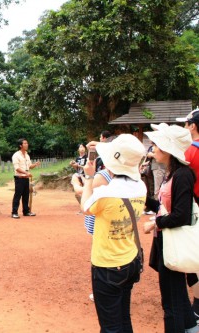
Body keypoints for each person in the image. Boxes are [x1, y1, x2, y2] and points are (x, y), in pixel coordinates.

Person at [80, 134, 147, 332]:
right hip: (130, 260)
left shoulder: (106, 192)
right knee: (124, 318)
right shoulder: (140, 186)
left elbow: (85, 206)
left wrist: (89, 178)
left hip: (107, 265)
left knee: (110, 326)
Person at [143, 124, 199, 333]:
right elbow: (166, 209)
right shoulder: (173, 173)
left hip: (173, 243)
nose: (153, 150)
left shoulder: (182, 175)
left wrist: (154, 223)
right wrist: (147, 201)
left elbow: (181, 215)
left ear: (167, 149)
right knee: (177, 296)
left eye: (156, 145)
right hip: (167, 242)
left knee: (171, 302)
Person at [177, 108, 199, 323]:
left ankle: (198, 304)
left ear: (193, 126)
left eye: (186, 124)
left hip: (194, 206)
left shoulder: (190, 151)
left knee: (193, 256)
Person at [11, 138, 40, 219]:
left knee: (26, 195)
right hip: (19, 178)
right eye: (25, 143)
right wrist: (26, 173)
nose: (27, 144)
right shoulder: (16, 155)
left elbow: (29, 166)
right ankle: (14, 212)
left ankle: (26, 211)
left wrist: (35, 164)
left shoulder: (27, 155)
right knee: (18, 195)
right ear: (20, 145)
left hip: (26, 178)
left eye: (27, 143)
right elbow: (17, 168)